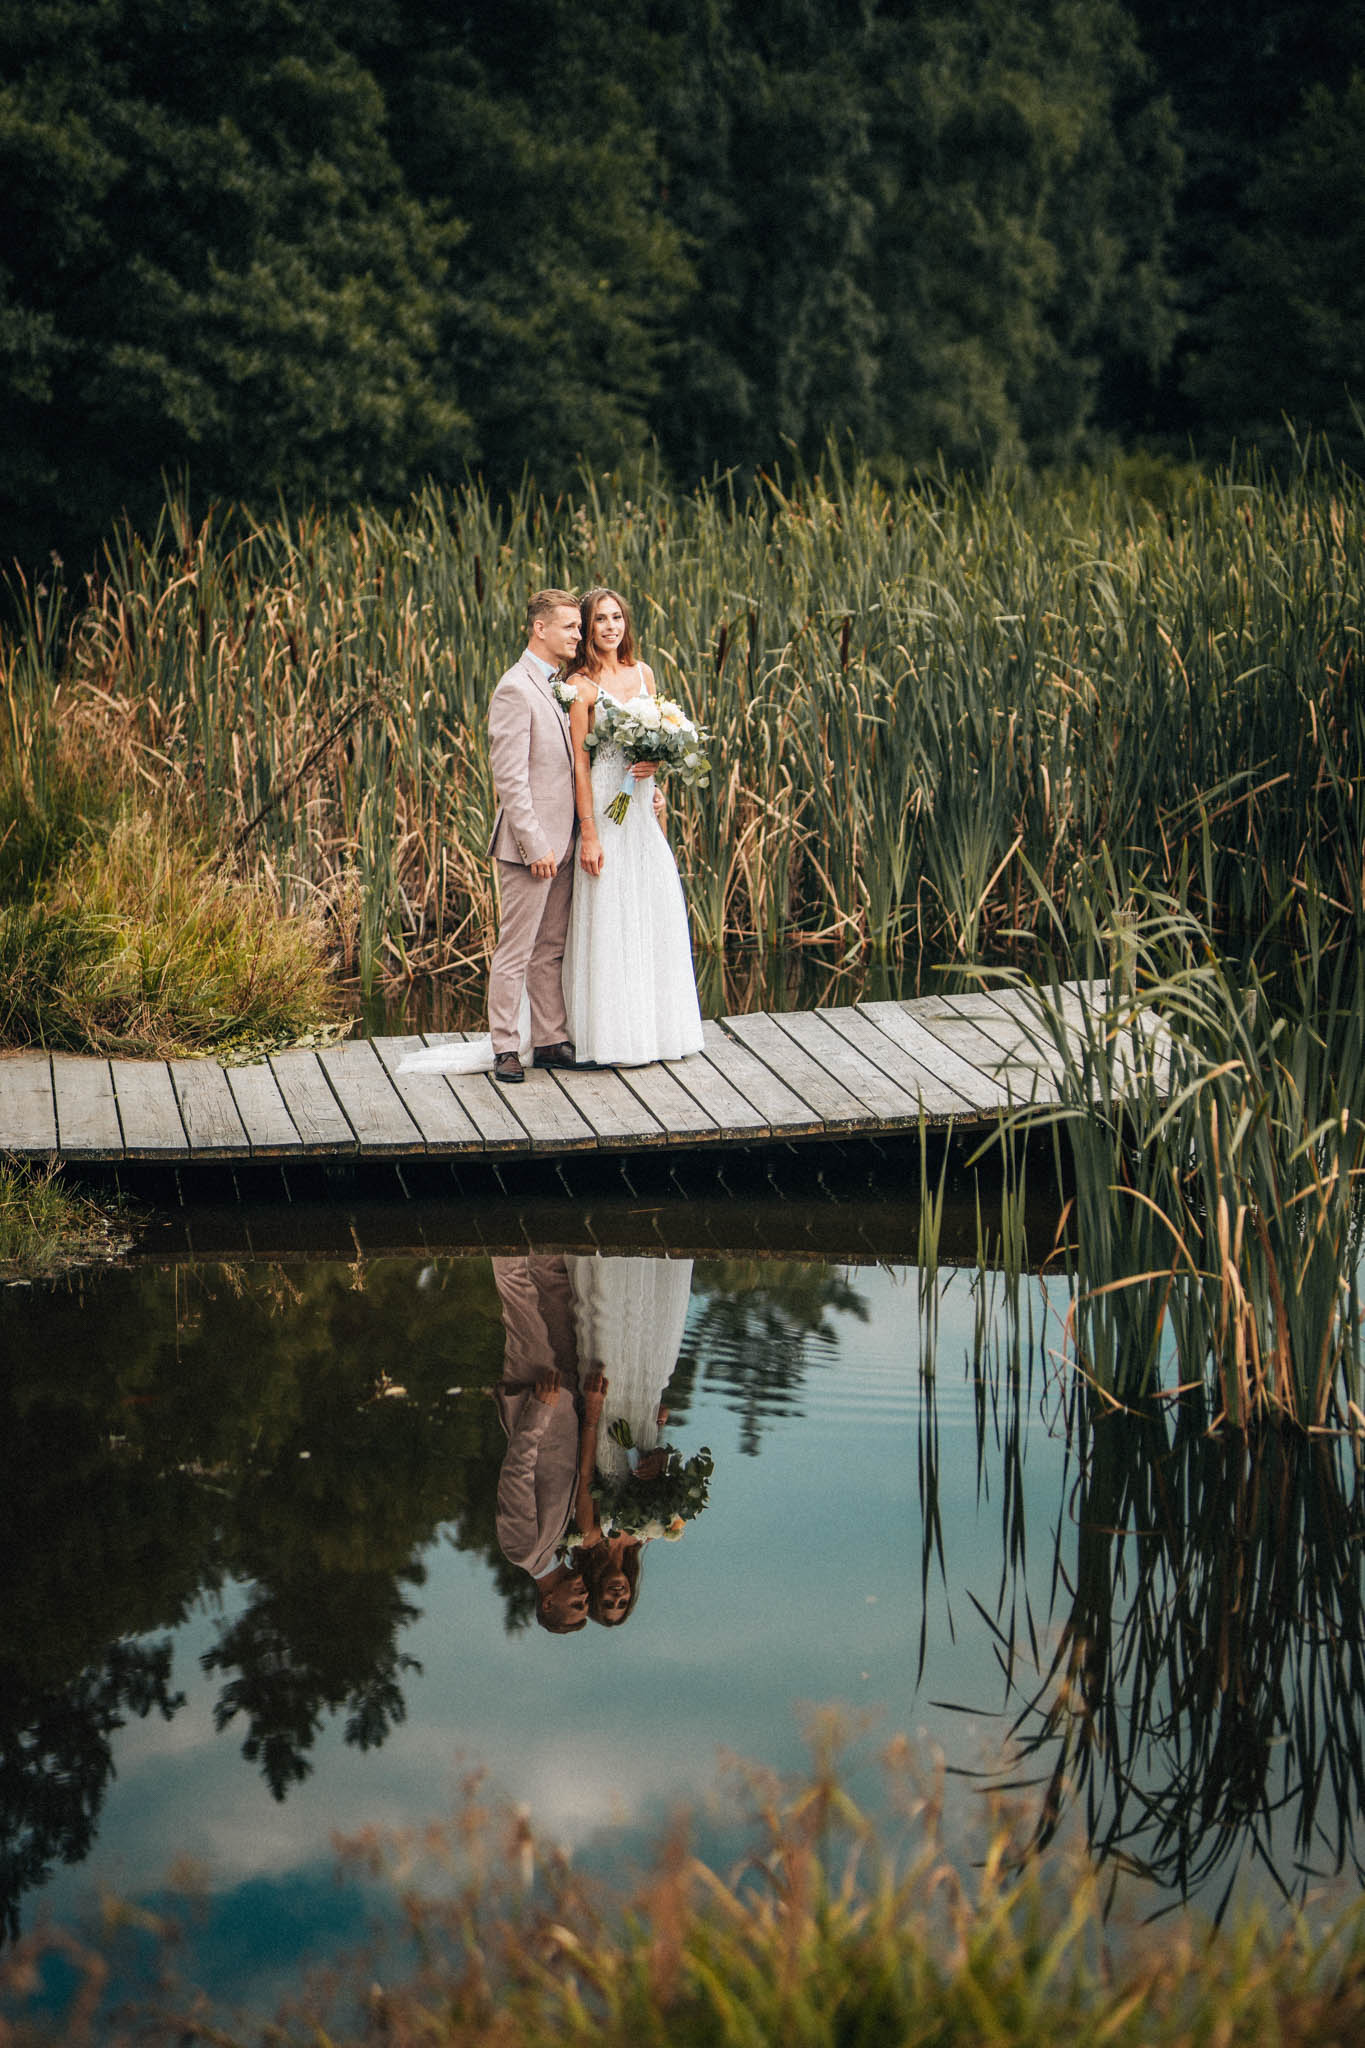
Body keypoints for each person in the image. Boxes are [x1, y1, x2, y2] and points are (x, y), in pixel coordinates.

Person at [561, 587, 705, 1066]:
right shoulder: (580, 686)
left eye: (617, 617)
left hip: (642, 811)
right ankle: (611, 1036)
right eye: (600, 619)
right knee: (610, 913)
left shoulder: (643, 673)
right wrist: (589, 832)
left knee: (652, 905)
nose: (610, 626)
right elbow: (581, 765)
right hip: (604, 808)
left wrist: (655, 771)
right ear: (587, 627)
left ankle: (657, 1031)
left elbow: (653, 743)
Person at [491, 1254, 590, 1634]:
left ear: (549, 1602)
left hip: (537, 1395)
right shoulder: (559, 1545)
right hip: (565, 1397)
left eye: (576, 1605)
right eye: (586, 1604)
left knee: (519, 1296)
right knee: (555, 1286)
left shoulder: (522, 1551)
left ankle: (500, 1220)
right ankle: (541, 1210)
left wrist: (540, 1410)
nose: (583, 1596)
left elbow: (516, 1472)